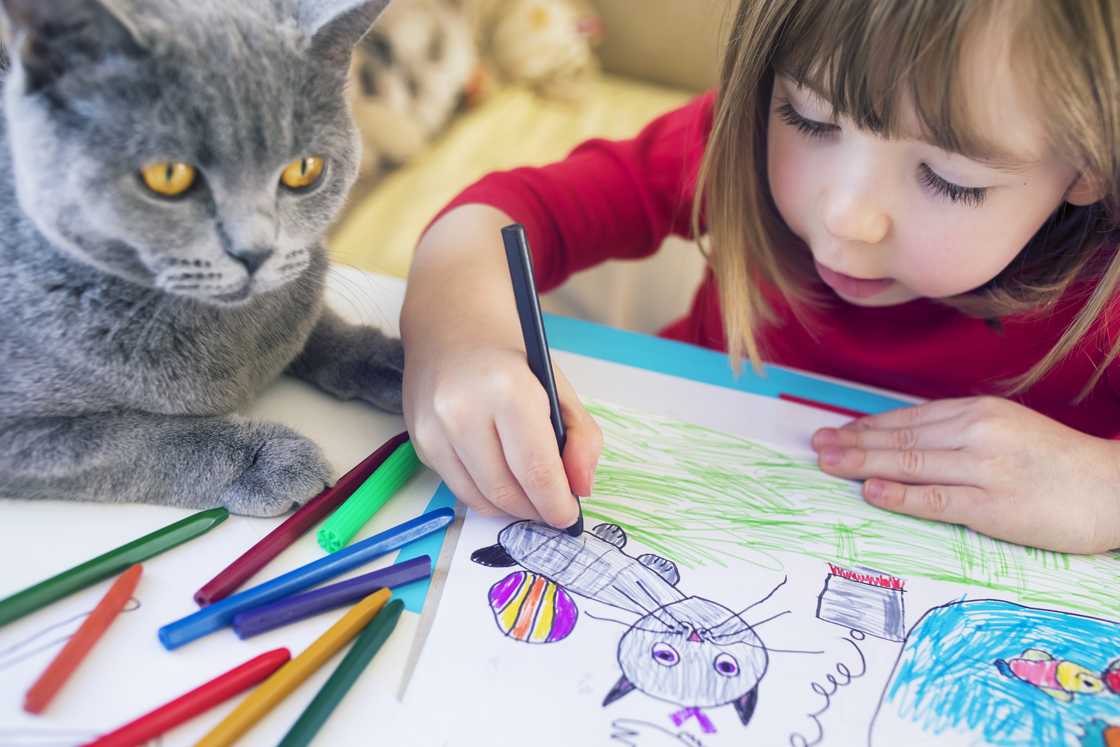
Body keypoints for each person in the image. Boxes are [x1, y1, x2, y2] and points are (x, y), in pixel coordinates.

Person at [399, 0, 1120, 555]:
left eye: (948, 179)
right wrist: (456, 335)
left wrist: (1102, 490)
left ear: (1087, 165)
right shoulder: (737, 140)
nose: (847, 217)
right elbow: (506, 214)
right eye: (808, 119)